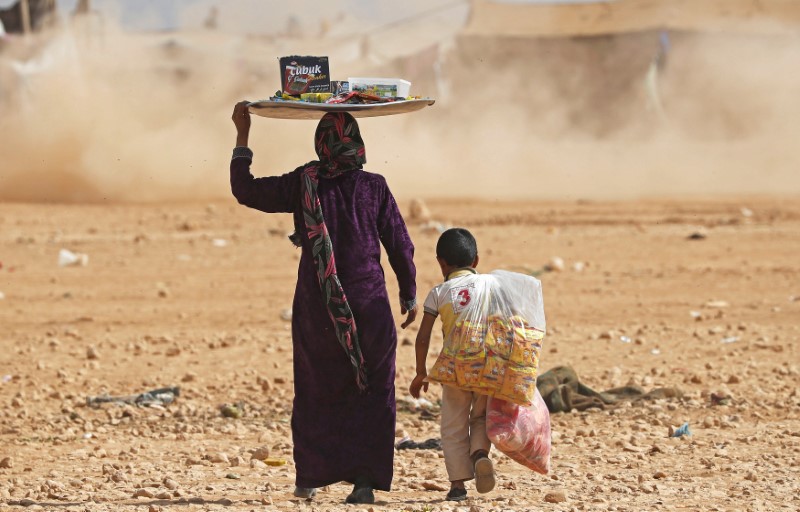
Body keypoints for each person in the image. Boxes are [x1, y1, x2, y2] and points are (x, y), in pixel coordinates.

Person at [230, 102, 418, 504]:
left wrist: (242, 135)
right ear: (359, 145)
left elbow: (245, 191)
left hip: (319, 310)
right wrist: (409, 292)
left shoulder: (304, 183)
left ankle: (309, 478)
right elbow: (400, 244)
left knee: (316, 389)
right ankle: (365, 482)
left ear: (321, 145)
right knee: (374, 391)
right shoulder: (375, 187)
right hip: (370, 308)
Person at [409, 227, 496, 502]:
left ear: (441, 263)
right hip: (485, 365)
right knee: (481, 416)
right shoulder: (490, 285)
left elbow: (423, 338)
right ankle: (480, 453)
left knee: (453, 425)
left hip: (454, 368)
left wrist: (421, 372)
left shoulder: (439, 292)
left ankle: (458, 485)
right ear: (477, 261)